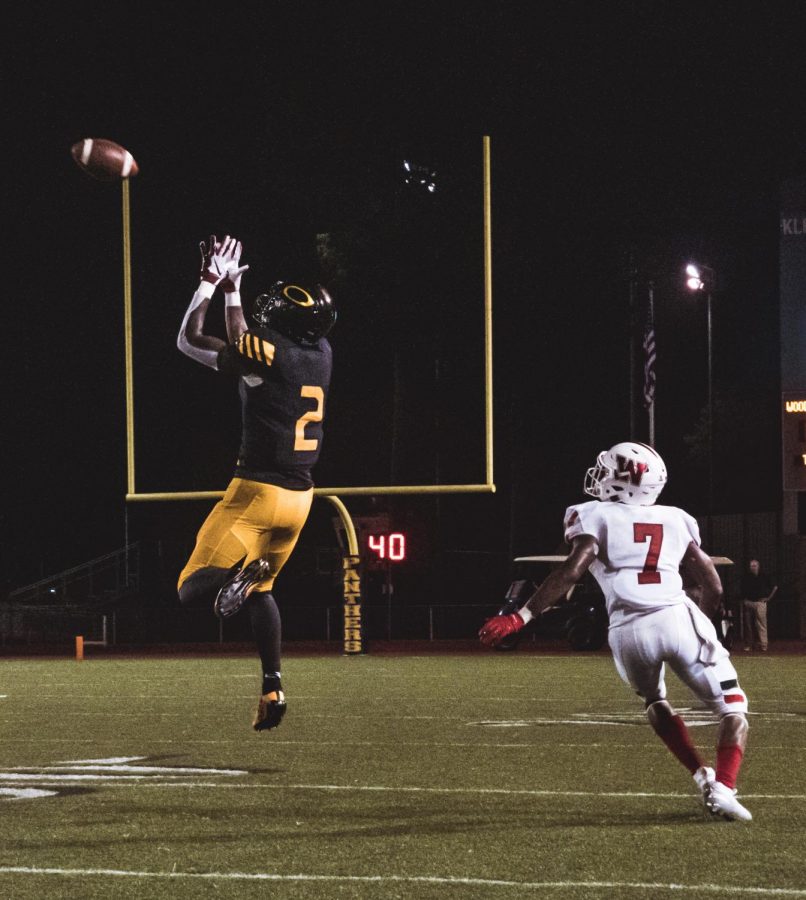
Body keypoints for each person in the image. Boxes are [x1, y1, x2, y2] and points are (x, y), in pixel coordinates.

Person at [479, 441, 752, 822]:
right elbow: (713, 585)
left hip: (627, 629)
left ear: (624, 479)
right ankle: (723, 787)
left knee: (656, 701)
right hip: (675, 617)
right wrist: (703, 629)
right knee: (733, 709)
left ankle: (700, 774)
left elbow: (572, 570)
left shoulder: (593, 514)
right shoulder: (676, 518)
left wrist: (520, 616)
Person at [176, 234, 335, 731]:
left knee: (190, 587)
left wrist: (213, 285)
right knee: (263, 592)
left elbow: (187, 340)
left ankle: (233, 578)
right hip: (301, 500)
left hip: (256, 493)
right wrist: (233, 294)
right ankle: (273, 685)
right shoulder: (321, 352)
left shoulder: (267, 354)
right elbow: (247, 341)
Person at [741, 558, 777, 652]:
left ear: (758, 566)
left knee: (761, 624)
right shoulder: (747, 577)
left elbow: (775, 587)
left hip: (760, 602)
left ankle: (763, 645)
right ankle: (749, 644)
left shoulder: (764, 576)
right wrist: (744, 600)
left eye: (754, 566)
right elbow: (742, 589)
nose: (752, 567)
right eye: (751, 566)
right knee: (748, 625)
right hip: (749, 602)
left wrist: (768, 598)